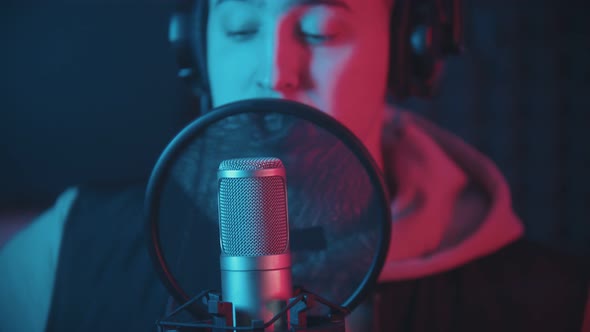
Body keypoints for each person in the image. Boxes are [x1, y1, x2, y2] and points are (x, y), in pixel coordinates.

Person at [1, 0, 589, 331]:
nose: (275, 70)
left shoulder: (553, 306)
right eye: (241, 29)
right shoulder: (66, 253)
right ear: (195, 52)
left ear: (409, 53)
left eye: (320, 31)